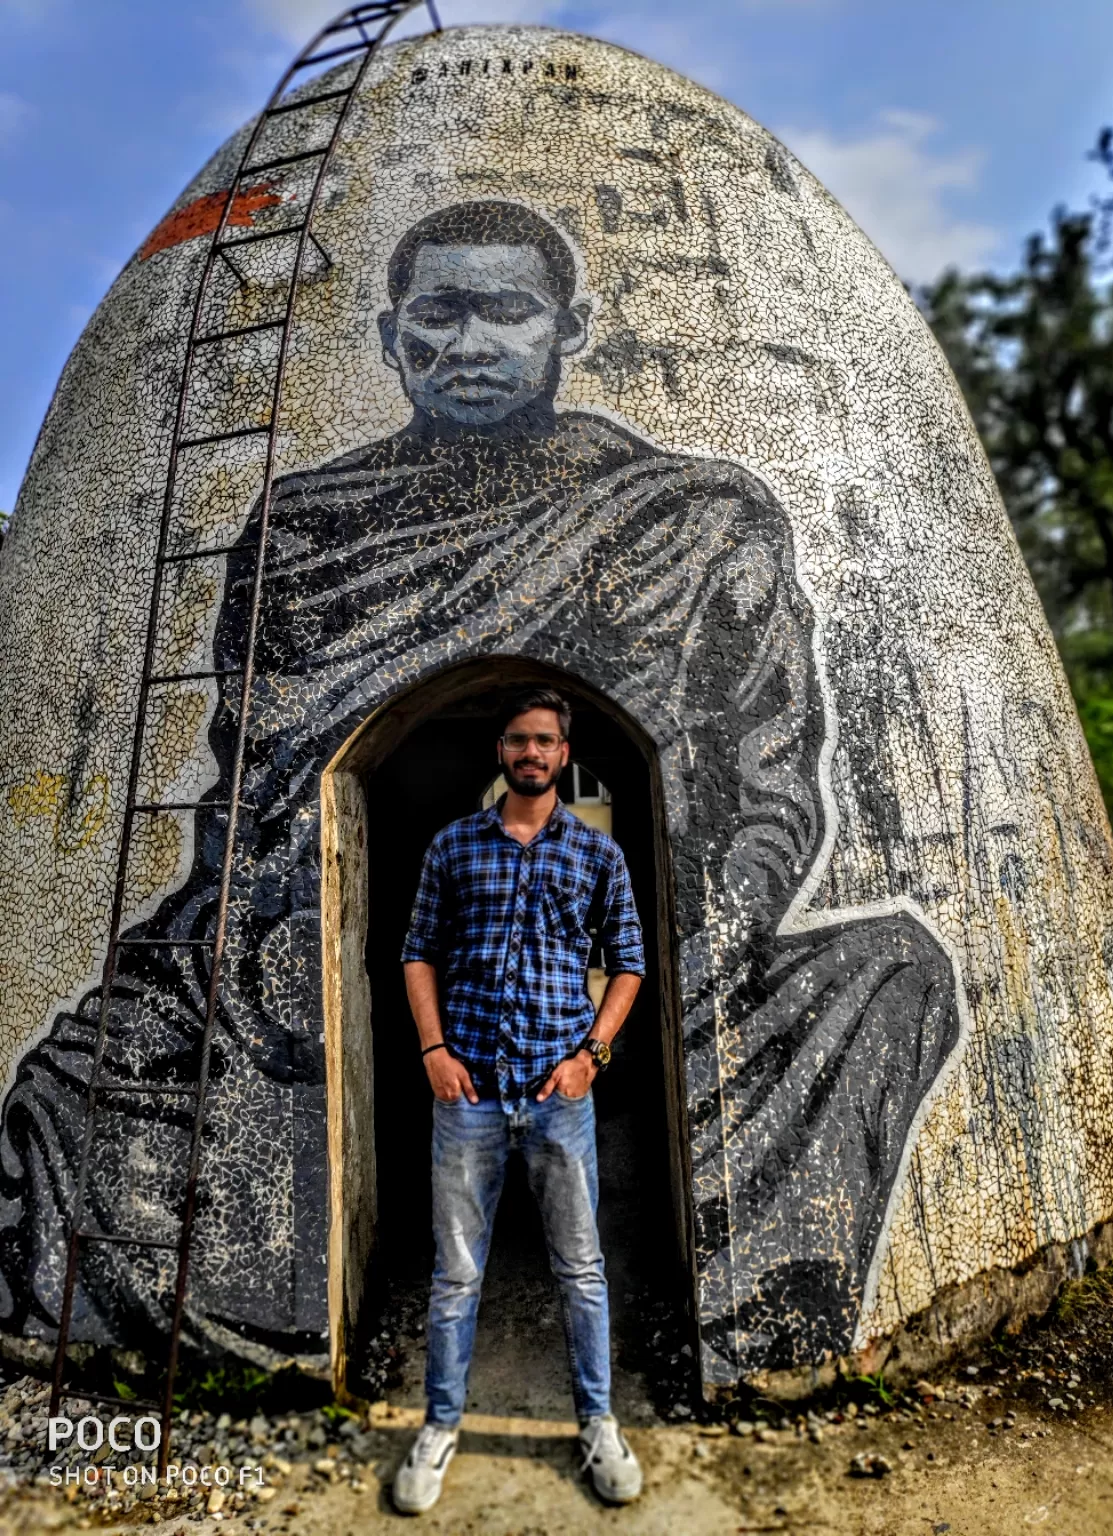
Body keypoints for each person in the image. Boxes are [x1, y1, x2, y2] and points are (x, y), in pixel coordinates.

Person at [0, 200, 958, 1392]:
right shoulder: (306, 533)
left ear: (570, 324)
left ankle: (747, 1329)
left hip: (618, 1005)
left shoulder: (697, 523)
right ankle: (280, 1345)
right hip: (362, 996)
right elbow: (253, 806)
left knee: (894, 974)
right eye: (438, 313)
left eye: (505, 308)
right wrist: (259, 942)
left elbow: (773, 795)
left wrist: (702, 935)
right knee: (74, 1077)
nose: (469, 343)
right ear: (393, 332)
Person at [391, 687, 645, 1513]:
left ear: (563, 755)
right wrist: (431, 1050)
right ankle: (438, 1428)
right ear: (499, 751)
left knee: (581, 1269)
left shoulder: (596, 856)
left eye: (545, 742)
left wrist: (592, 1057)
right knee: (456, 1275)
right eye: (518, 741)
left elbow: (631, 961)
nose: (531, 753)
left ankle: (599, 1423)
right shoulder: (454, 847)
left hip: (558, 1095)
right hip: (466, 1094)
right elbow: (418, 951)